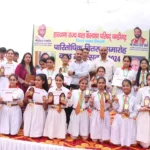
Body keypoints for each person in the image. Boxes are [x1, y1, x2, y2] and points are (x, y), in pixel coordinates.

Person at [110, 79, 137, 147]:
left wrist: (130, 115)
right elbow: (114, 108)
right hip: (119, 117)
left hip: (128, 118)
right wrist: (115, 102)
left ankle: (126, 142)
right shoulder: (118, 96)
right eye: (124, 86)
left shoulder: (134, 99)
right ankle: (118, 141)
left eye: (127, 86)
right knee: (118, 133)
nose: (125, 87)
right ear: (122, 87)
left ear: (131, 87)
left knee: (127, 131)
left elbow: (135, 111)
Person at [43, 74, 70, 139]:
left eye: (60, 80)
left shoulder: (66, 91)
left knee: (60, 124)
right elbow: (48, 100)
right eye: (57, 80)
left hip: (61, 110)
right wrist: (46, 101)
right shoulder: (51, 90)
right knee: (52, 124)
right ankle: (50, 135)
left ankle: (60, 136)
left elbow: (69, 104)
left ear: (63, 81)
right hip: (52, 110)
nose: (58, 82)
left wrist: (68, 99)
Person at [90, 77, 112, 142]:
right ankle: (95, 135)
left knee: (102, 139)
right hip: (96, 113)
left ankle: (103, 136)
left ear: (105, 84)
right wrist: (91, 103)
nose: (101, 84)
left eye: (102, 83)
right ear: (97, 84)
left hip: (105, 113)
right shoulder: (93, 94)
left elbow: (111, 108)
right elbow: (91, 107)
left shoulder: (109, 95)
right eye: (99, 83)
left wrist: (111, 104)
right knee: (94, 139)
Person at [136, 73, 150, 148]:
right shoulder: (141, 90)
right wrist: (142, 108)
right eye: (149, 79)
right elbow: (136, 104)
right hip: (144, 114)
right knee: (145, 145)